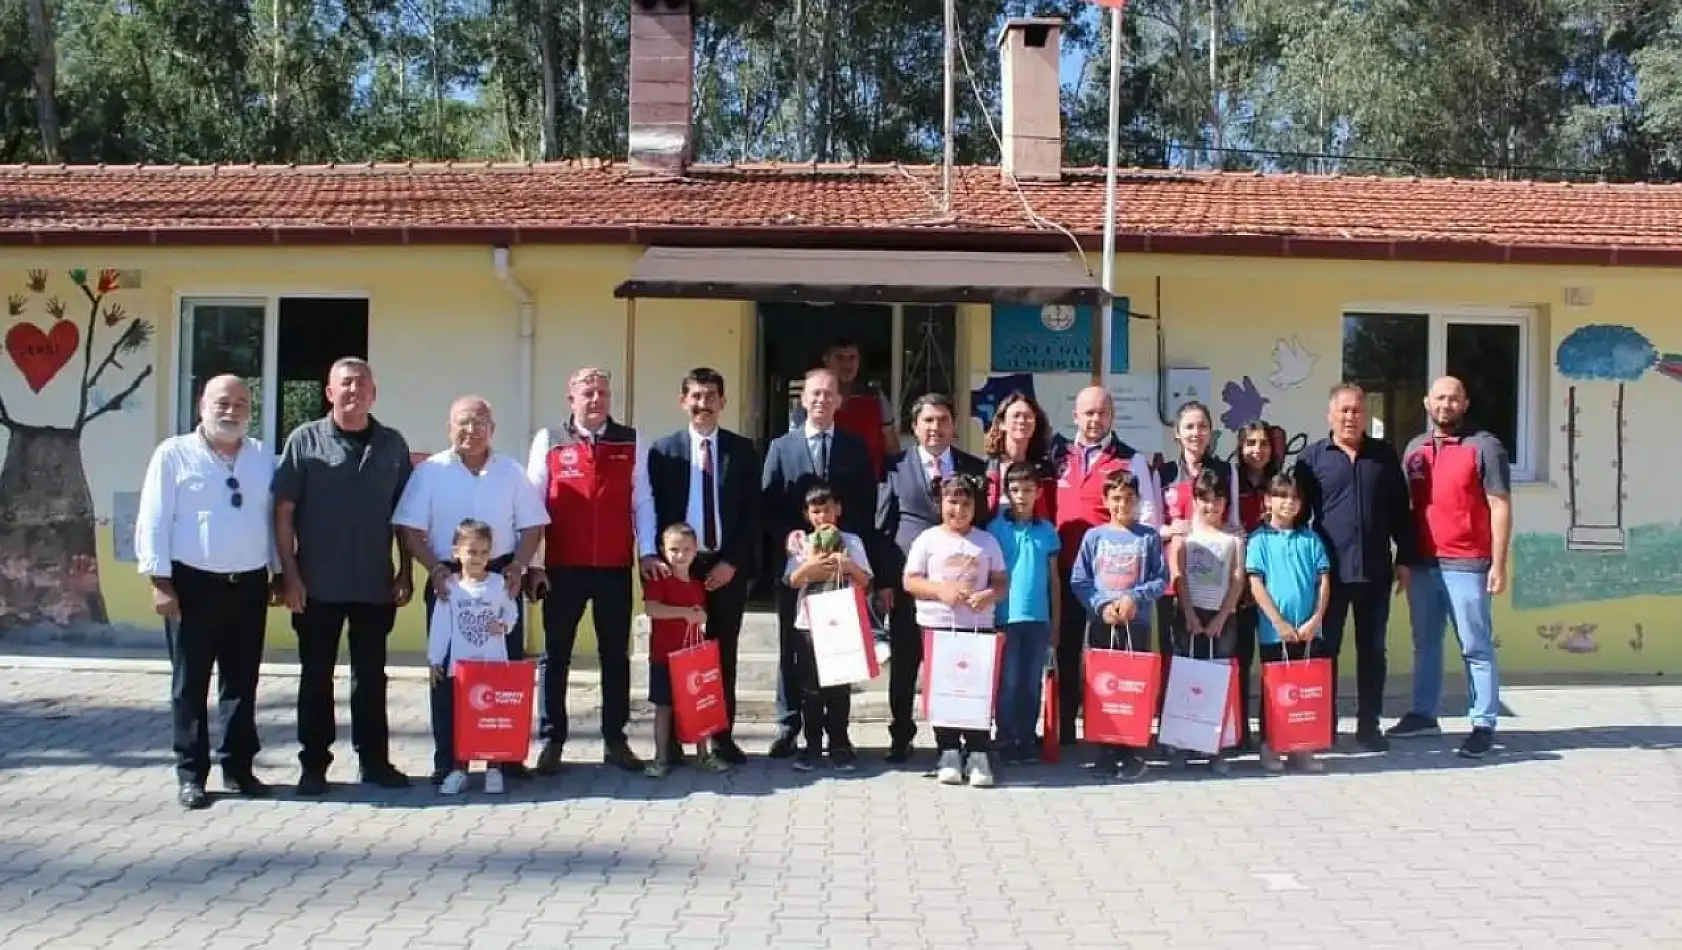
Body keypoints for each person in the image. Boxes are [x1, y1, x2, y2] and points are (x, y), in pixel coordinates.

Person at [135, 375, 281, 810]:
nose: (231, 410)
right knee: (190, 684)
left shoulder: (262, 458)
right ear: (202, 404)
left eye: (241, 403)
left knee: (241, 682)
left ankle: (238, 769)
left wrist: (277, 571)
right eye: (222, 401)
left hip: (248, 584)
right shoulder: (173, 454)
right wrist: (160, 582)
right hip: (191, 585)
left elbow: (272, 519)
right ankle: (191, 775)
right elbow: (154, 519)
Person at [275, 357, 415, 795]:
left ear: (374, 393)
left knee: (371, 677)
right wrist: (289, 575)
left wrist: (406, 571)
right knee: (316, 676)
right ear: (329, 392)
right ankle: (313, 766)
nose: (354, 391)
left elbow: (406, 516)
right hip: (317, 585)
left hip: (375, 583)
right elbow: (283, 513)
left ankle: (374, 762)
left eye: (362, 384)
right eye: (345, 384)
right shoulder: (304, 441)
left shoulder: (392, 444)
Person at [394, 395, 548, 784]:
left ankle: (506, 756)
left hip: (500, 580)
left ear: (492, 430)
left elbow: (532, 526)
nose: (471, 430)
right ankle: (448, 760)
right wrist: (433, 570)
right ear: (450, 428)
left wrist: (518, 567)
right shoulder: (430, 472)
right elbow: (410, 528)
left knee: (503, 674)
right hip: (448, 581)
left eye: (479, 423)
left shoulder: (511, 472)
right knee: (447, 672)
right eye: (463, 422)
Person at [526, 367, 657, 774]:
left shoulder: (631, 440)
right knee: (556, 655)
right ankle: (552, 741)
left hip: (614, 567)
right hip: (562, 568)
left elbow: (644, 502)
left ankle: (615, 741)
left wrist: (648, 553)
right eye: (588, 392)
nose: (596, 399)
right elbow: (532, 505)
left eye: (602, 392)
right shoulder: (549, 440)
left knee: (614, 656)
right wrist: (532, 564)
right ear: (572, 399)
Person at [1389, 376, 1511, 759]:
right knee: (1425, 643)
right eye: (1440, 398)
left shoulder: (1485, 447)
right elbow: (1408, 511)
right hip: (1423, 564)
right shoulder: (1414, 449)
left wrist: (1499, 564)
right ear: (1427, 403)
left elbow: (1500, 506)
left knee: (1475, 646)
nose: (1446, 405)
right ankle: (1424, 715)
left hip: (1468, 564)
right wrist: (1403, 560)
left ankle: (1483, 723)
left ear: (1465, 402)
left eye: (1453, 398)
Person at [1293, 383, 1418, 751]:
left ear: (1366, 415)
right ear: (1330, 414)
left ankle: (1369, 725)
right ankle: (1324, 725)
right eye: (1344, 410)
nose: (1350, 417)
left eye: (1357, 411)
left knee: (1373, 651)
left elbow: (1401, 513)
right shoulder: (1311, 460)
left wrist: (1405, 559)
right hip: (1328, 575)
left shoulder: (1383, 457)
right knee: (1325, 650)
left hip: (1375, 572)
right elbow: (1297, 517)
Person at [646, 368, 760, 765]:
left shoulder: (742, 451)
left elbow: (752, 514)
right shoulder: (663, 451)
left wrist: (733, 562)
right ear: (683, 402)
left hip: (725, 565)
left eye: (711, 395)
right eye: (695, 396)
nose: (703, 403)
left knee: (720, 653)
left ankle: (720, 736)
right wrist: (657, 556)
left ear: (723, 402)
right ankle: (675, 739)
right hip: (680, 566)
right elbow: (652, 509)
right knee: (677, 652)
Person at [762, 368, 877, 757]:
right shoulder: (781, 447)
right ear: (803, 399)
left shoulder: (855, 446)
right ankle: (789, 724)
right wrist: (787, 536)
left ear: (839, 401)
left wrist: (849, 550)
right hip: (799, 567)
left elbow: (865, 505)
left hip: (842, 567)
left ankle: (835, 731)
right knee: (791, 647)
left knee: (837, 647)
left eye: (829, 394)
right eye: (814, 394)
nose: (821, 400)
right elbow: (770, 503)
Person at [876, 392, 988, 763]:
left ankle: (955, 741)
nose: (935, 428)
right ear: (914, 427)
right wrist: (885, 583)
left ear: (954, 425)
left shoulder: (974, 467)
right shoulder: (893, 468)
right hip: (913, 584)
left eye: (942, 420)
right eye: (927, 421)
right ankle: (901, 734)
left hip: (961, 589)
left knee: (955, 664)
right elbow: (883, 527)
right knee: (906, 663)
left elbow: (982, 526)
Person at [1050, 386, 1162, 745]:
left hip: (1115, 580)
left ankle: (1115, 731)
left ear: (1112, 416)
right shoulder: (1057, 456)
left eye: (1101, 413)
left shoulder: (1131, 459)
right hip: (1068, 571)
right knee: (1067, 650)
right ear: (1075, 416)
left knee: (1113, 656)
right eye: (1088, 413)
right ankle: (1067, 729)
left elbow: (1148, 516)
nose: (1095, 420)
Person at [902, 474, 1007, 788]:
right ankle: (947, 750)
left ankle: (978, 752)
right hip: (937, 626)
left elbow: (1000, 580)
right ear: (940, 504)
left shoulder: (986, 541)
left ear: (976, 507)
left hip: (977, 629)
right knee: (946, 692)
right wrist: (940, 590)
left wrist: (989, 594)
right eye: (952, 502)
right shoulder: (928, 540)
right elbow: (910, 580)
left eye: (965, 503)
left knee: (975, 692)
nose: (959, 510)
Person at [1070, 469, 1167, 781]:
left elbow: (1161, 579)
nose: (1122, 504)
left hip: (1135, 623)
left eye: (1128, 499)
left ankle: (1131, 751)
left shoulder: (1148, 537)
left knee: (1131, 687)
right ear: (1105, 501)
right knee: (1101, 686)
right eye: (1116, 499)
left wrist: (1134, 598)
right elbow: (1080, 580)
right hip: (1102, 623)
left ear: (1137, 500)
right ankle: (1105, 749)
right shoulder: (1094, 537)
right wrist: (1101, 604)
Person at [425, 519, 523, 796]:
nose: (477, 558)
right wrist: (435, 659)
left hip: (492, 664)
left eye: (483, 552)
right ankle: (459, 770)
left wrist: (504, 625)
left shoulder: (497, 584)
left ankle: (494, 769)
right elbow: (441, 624)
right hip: (462, 668)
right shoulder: (451, 587)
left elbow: (511, 610)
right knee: (463, 720)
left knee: (491, 717)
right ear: (456, 552)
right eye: (471, 552)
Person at [1245, 471, 1332, 773]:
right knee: (1276, 690)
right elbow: (1256, 584)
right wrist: (1278, 622)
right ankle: (1271, 746)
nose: (1288, 503)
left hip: (1309, 630)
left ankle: (1302, 748)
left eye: (1294, 498)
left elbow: (1323, 581)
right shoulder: (1259, 540)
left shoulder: (1310, 539)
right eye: (1281, 497)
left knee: (1305, 689)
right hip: (1274, 632)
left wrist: (1315, 619)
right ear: (1268, 500)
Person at [784, 483, 874, 772]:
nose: (823, 516)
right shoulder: (802, 543)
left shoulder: (852, 541)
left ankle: (839, 743)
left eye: (828, 509)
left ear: (838, 510)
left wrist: (847, 565)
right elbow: (792, 580)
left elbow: (865, 580)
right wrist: (810, 566)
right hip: (809, 623)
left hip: (842, 621)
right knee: (810, 687)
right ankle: (812, 745)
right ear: (807, 514)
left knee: (839, 685)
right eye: (816, 511)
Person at [1167, 467, 1247, 773]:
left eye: (1216, 500)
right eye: (1203, 499)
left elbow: (1237, 580)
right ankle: (1185, 742)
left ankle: (1218, 747)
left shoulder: (1233, 539)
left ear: (1225, 502)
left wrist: (1222, 616)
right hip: (1189, 614)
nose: (1210, 506)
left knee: (1219, 681)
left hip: (1221, 617)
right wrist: (1188, 612)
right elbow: (1180, 577)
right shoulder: (1186, 536)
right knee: (1187, 678)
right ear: (1195, 500)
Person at [641, 523, 730, 779]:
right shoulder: (660, 579)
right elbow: (652, 609)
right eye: (674, 549)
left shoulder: (696, 583)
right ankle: (660, 758)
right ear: (662, 550)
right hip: (664, 656)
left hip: (692, 658)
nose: (680, 555)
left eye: (687, 550)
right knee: (663, 707)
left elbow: (700, 614)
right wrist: (685, 613)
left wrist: (699, 615)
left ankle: (703, 754)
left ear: (695, 552)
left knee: (697, 706)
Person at [986, 462, 1060, 765]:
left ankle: (1026, 738)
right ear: (1007, 493)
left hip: (1038, 619)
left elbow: (1054, 580)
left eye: (1029, 490)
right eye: (1015, 490)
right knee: (1009, 682)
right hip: (1005, 617)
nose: (1022, 496)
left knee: (1032, 683)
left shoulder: (1047, 531)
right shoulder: (995, 529)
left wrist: (1055, 623)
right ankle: (1004, 738)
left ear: (1039, 492)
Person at [1231, 420, 1279, 750]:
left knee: (1272, 660)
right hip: (1241, 586)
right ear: (1240, 447)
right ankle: (1239, 731)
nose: (1257, 450)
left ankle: (1274, 728)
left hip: (1275, 584)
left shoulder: (1280, 484)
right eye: (1250, 443)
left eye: (1263, 443)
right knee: (1241, 659)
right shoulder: (1231, 481)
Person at [816, 337, 899, 476]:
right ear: (826, 360)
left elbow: (891, 446)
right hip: (825, 487)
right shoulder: (815, 397)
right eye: (839, 358)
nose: (846, 364)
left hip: (869, 485)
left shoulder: (874, 396)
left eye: (852, 358)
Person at [982, 392, 1056, 522]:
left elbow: (1051, 513)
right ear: (1002, 424)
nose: (1022, 421)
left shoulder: (1045, 471)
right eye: (1016, 416)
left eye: (1028, 417)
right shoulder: (986, 469)